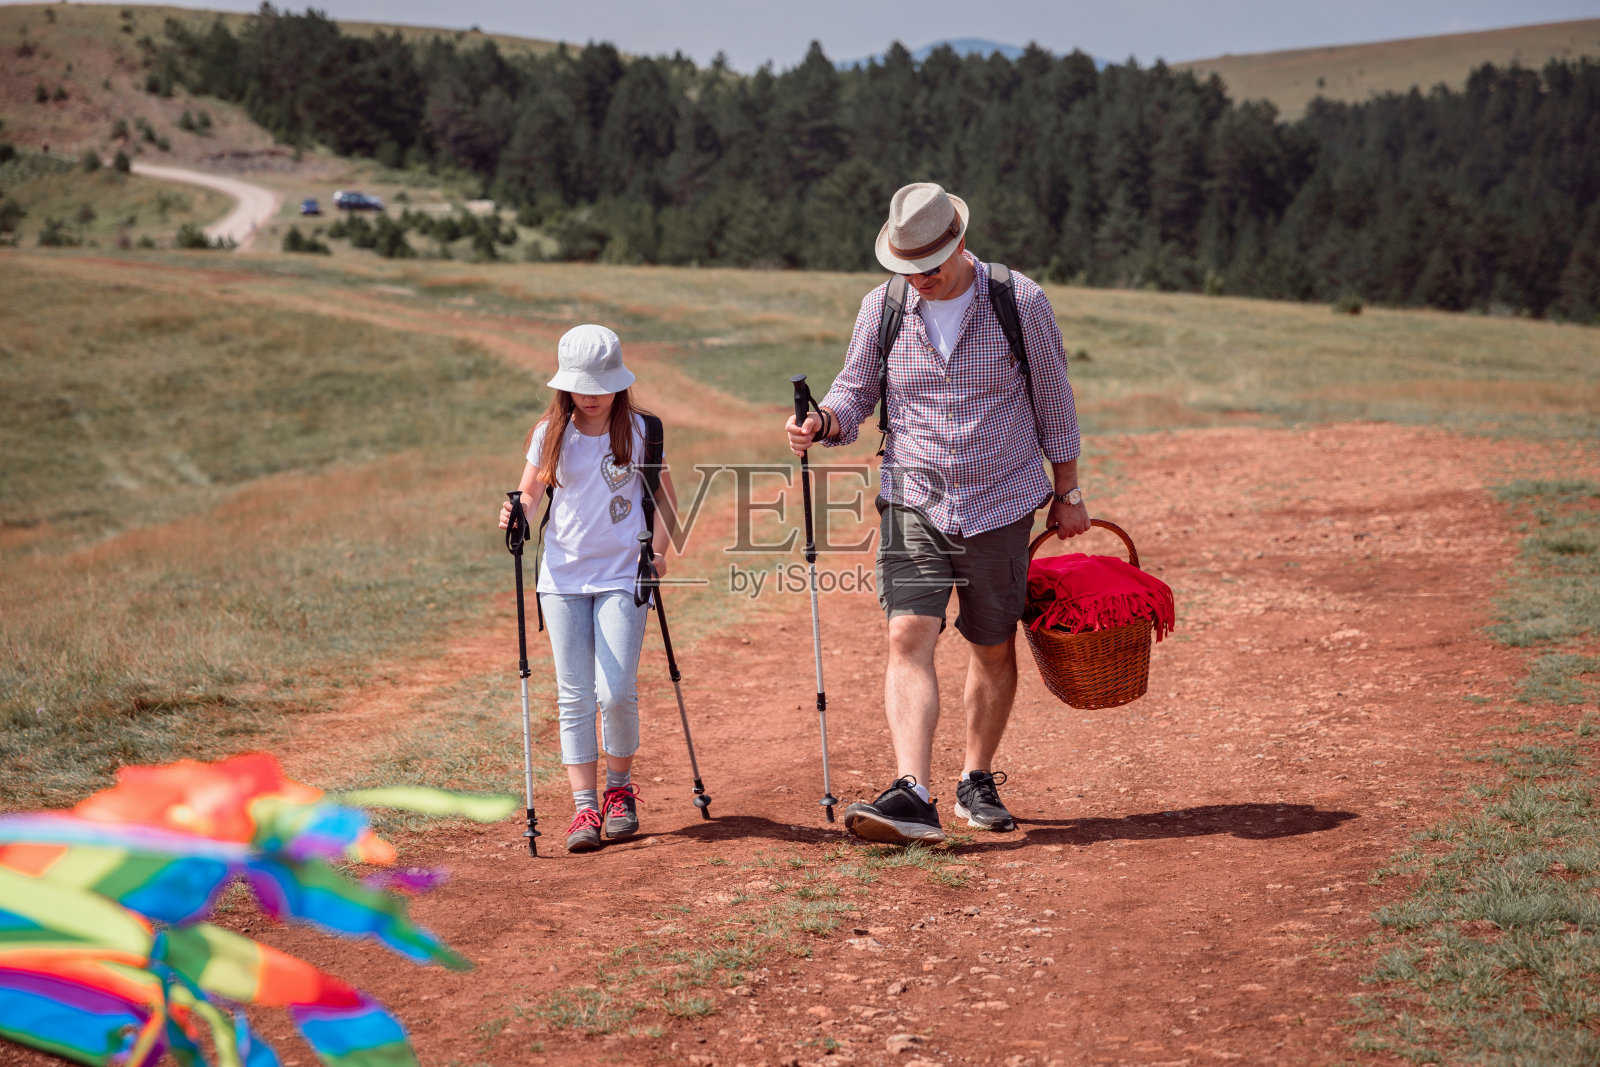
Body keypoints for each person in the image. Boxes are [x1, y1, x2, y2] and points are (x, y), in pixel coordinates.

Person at [785, 182, 1089, 845]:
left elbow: (1054, 397)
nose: (917, 278)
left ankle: (975, 778)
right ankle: (913, 790)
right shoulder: (885, 305)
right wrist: (826, 419)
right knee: (908, 634)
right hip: (913, 499)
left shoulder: (1019, 301)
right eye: (905, 266)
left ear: (957, 245)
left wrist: (1066, 490)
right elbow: (857, 387)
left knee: (992, 645)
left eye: (929, 265)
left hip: (1000, 503)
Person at [499, 324, 677, 854]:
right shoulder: (549, 432)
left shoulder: (644, 430)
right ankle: (584, 809)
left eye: (602, 385)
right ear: (566, 385)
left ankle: (619, 792)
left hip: (624, 572)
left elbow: (666, 501)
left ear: (619, 383)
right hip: (562, 578)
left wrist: (659, 554)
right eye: (582, 386)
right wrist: (514, 514)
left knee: (615, 689)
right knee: (574, 693)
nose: (592, 396)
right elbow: (528, 497)